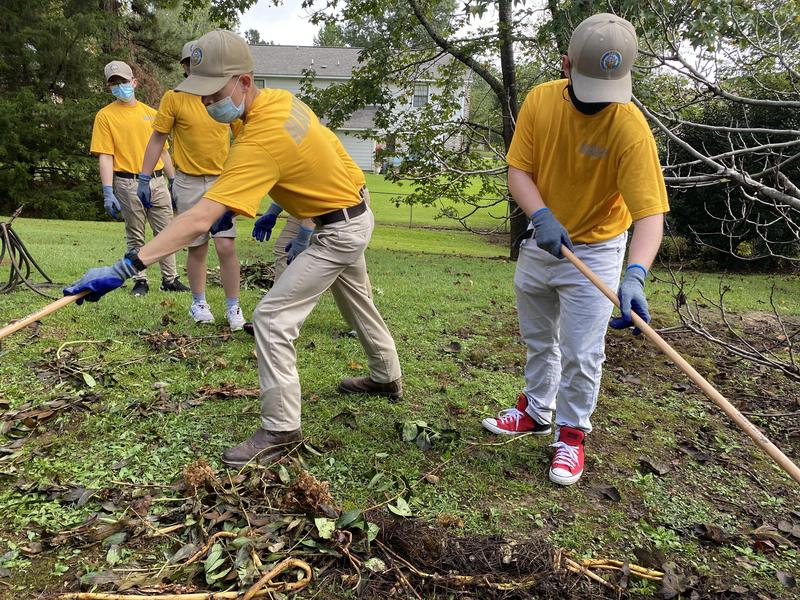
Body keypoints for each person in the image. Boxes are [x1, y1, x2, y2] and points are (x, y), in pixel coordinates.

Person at [65, 30, 403, 468]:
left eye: (214, 93)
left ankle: (281, 430)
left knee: (271, 318)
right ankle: (386, 376)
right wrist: (290, 207)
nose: (207, 103)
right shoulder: (281, 101)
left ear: (244, 81)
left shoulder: (261, 135)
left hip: (338, 230)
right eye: (201, 94)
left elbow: (197, 219)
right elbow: (324, 153)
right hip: (351, 210)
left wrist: (127, 266)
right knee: (358, 301)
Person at [479, 14, 669, 486]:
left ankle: (571, 434)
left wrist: (635, 274)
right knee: (539, 337)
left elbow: (650, 215)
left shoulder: (630, 128)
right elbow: (519, 170)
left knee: (582, 352)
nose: (600, 101)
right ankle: (536, 410)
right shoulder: (541, 101)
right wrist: (541, 215)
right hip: (543, 239)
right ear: (566, 65)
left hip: (598, 248)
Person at [139, 41, 245, 330]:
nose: (193, 68)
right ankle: (199, 302)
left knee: (226, 245)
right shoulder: (174, 98)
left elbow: (243, 135)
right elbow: (158, 138)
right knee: (197, 246)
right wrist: (145, 176)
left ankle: (233, 306)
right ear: (184, 67)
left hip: (221, 181)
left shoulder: (222, 97)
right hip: (188, 181)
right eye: (188, 64)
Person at [90, 60, 189, 297]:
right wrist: (107, 190)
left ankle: (170, 279)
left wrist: (173, 181)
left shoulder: (151, 114)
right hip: (127, 182)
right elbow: (105, 155)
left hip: (157, 180)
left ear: (134, 82)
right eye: (114, 83)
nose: (119, 86)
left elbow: (163, 151)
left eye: (123, 81)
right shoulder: (105, 116)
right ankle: (140, 279)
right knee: (135, 233)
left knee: (166, 232)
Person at [253, 129, 371, 280]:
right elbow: (295, 183)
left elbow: (317, 191)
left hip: (344, 202)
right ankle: (283, 294)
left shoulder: (304, 139)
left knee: (345, 266)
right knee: (285, 249)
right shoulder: (285, 135)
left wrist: (304, 235)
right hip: (319, 200)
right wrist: (273, 212)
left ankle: (285, 294)